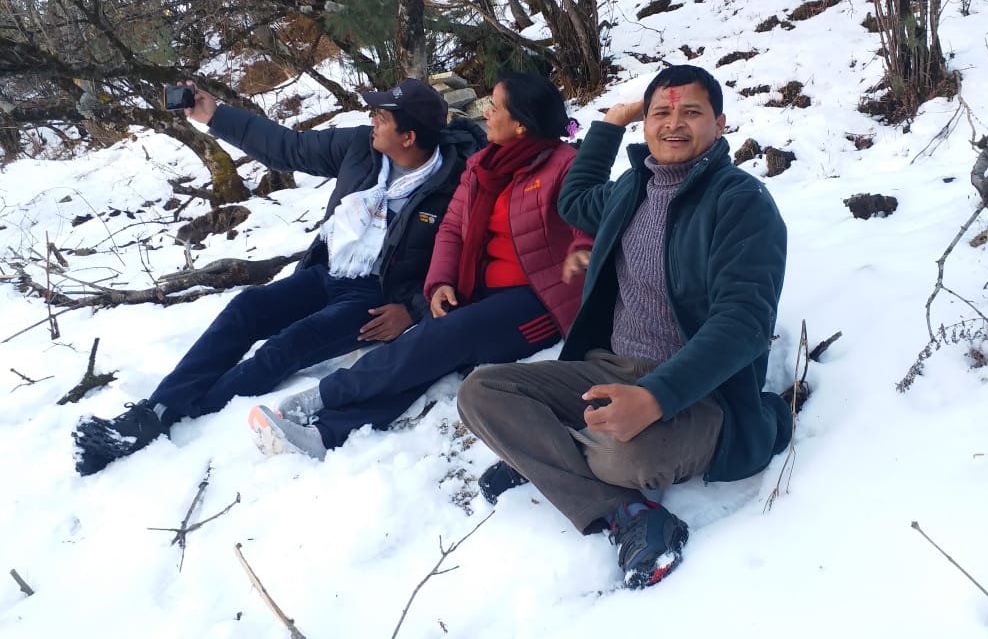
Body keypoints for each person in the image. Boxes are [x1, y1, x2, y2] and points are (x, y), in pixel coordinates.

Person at [456, 64, 791, 589]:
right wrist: (611, 123)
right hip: (608, 369)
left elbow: (744, 323)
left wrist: (656, 398)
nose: (673, 124)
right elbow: (573, 200)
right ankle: (625, 511)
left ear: (720, 124)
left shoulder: (741, 202)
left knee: (620, 458)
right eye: (660, 113)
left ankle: (548, 456)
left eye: (691, 112)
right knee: (481, 392)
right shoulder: (633, 188)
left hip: (701, 393)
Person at [72, 78, 484, 475]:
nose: (372, 120)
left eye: (382, 117)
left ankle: (186, 414)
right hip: (330, 271)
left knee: (287, 346)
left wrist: (412, 310)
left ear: (408, 137)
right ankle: (155, 411)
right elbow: (289, 147)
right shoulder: (362, 147)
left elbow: (466, 260)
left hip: (377, 297)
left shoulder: (456, 184)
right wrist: (215, 115)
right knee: (247, 307)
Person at [247, 72, 592, 458]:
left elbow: (590, 219)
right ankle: (324, 435)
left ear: (521, 124)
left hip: (538, 302)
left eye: (494, 108)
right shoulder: (482, 165)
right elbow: (452, 229)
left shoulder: (565, 165)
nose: (486, 113)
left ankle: (323, 396)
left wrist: (582, 248)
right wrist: (440, 281)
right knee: (425, 351)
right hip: (480, 289)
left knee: (441, 338)